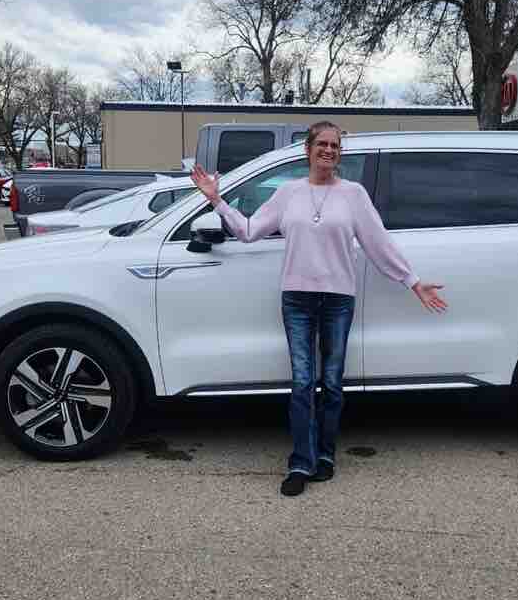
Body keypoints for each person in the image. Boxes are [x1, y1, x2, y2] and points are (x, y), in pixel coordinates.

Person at [190, 121, 447, 497]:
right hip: (296, 299)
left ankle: (325, 456)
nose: (329, 150)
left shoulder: (354, 195)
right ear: (307, 150)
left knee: (332, 383)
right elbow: (247, 231)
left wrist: (412, 281)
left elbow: (379, 244)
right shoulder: (288, 194)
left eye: (335, 145)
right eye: (322, 144)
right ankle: (300, 462)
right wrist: (216, 199)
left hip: (338, 300)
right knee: (302, 383)